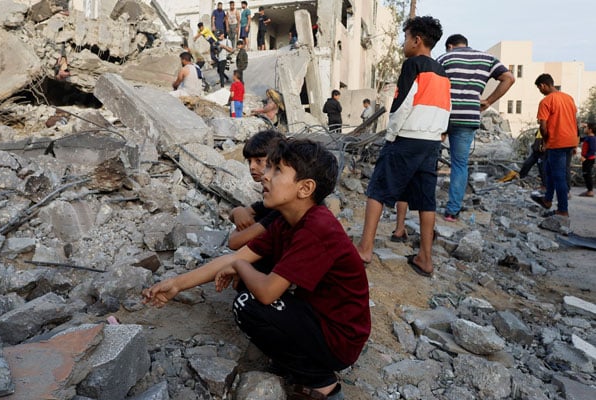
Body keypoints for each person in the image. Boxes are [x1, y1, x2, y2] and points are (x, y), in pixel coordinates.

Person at [144, 138, 371, 400]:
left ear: (305, 188)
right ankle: (297, 361)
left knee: (249, 303)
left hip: (339, 340)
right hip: (318, 318)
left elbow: (265, 291)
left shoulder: (317, 228)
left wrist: (240, 266)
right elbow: (235, 255)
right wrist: (176, 285)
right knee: (251, 288)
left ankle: (321, 383)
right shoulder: (287, 221)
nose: (264, 175)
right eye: (268, 168)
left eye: (276, 170)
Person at [355, 16, 450, 277]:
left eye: (406, 38)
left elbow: (402, 104)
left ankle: (365, 248)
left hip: (407, 137)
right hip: (431, 142)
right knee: (426, 199)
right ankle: (425, 259)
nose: (403, 43)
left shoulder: (413, 65)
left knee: (378, 188)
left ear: (416, 40)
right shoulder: (442, 72)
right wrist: (438, 134)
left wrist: (391, 136)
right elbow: (446, 108)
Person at [436, 34, 515, 222]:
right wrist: (488, 101)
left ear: (450, 46)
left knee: (430, 158)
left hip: (442, 116)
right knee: (459, 164)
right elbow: (509, 78)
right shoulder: (487, 58)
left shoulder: (445, 58)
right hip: (468, 117)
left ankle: (425, 206)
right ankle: (452, 211)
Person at [530, 74, 579, 217]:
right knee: (549, 170)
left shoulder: (546, 101)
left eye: (539, 88)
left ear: (543, 85)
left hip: (557, 141)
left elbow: (543, 126)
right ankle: (547, 200)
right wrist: (575, 142)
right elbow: (574, 120)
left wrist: (545, 141)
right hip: (570, 140)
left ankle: (563, 210)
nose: (540, 91)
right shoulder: (569, 98)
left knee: (559, 176)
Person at [228, 130, 284, 251]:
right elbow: (236, 215)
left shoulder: (281, 208)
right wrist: (238, 211)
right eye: (249, 161)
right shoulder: (269, 198)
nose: (252, 167)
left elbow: (234, 242)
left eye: (259, 161)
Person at [579, 121, 596, 197]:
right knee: (585, 174)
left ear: (590, 130)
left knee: (587, 174)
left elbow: (592, 150)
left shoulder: (592, 138)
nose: (584, 129)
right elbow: (579, 138)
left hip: (588, 159)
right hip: (587, 159)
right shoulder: (588, 137)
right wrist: (579, 128)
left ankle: (590, 191)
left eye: (586, 128)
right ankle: (589, 190)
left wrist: (585, 157)